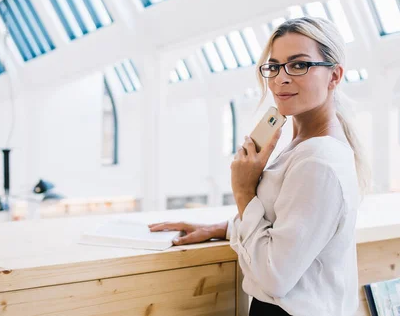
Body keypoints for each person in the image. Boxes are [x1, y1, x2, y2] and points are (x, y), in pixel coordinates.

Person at [148, 17, 370, 316]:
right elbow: (289, 227)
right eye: (274, 66)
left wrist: (243, 191)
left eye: (299, 65)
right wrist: (227, 227)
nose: (281, 78)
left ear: (334, 76)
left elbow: (274, 278)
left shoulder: (318, 160)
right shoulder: (303, 147)